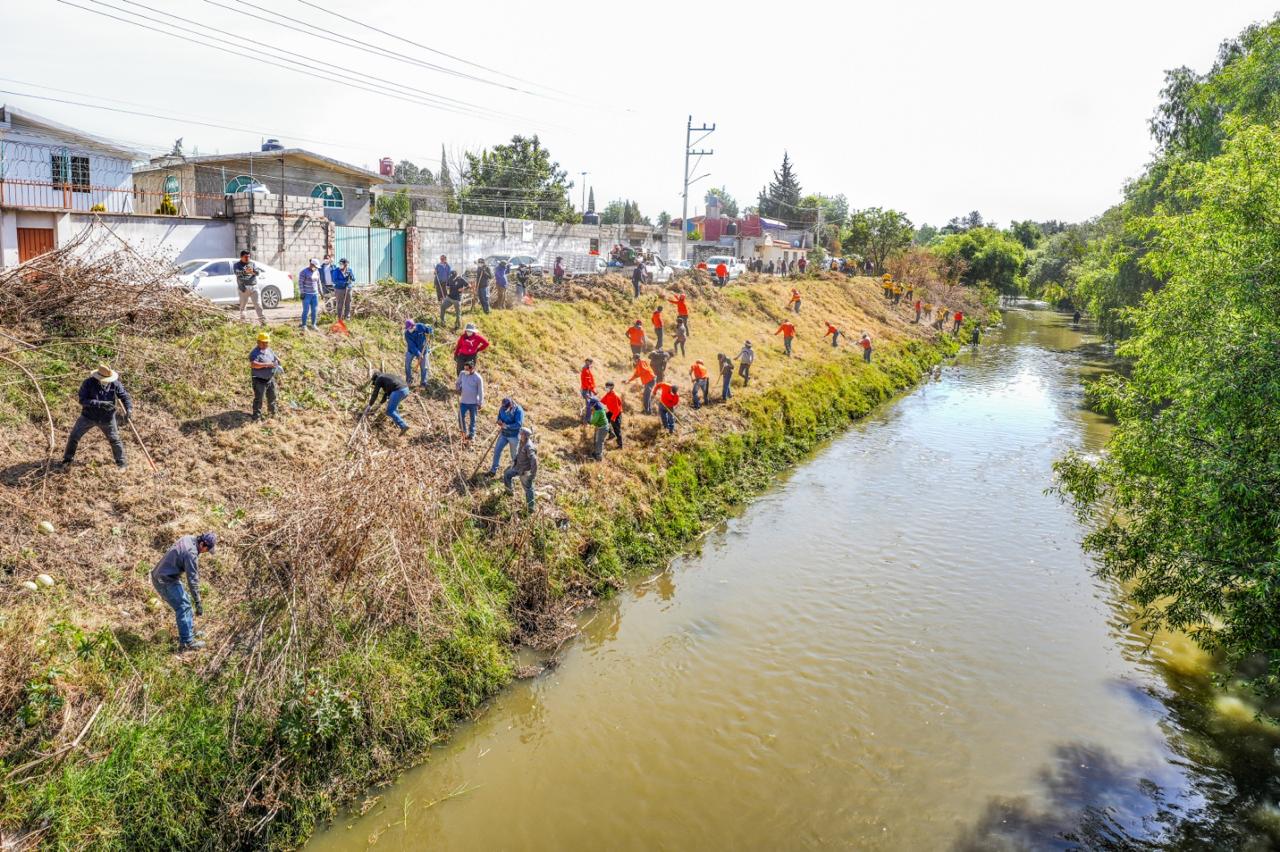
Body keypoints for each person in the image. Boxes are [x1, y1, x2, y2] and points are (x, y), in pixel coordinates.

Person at [151, 532, 216, 652]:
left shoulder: (189, 538)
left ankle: (189, 632)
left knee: (185, 601)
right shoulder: (191, 554)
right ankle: (187, 642)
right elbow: (192, 580)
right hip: (164, 580)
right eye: (207, 550)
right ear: (202, 544)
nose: (205, 552)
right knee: (183, 606)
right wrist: (198, 602)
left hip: (165, 575)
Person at [62, 363, 132, 468]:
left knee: (115, 440)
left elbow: (125, 397)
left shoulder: (115, 384)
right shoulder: (88, 383)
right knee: (74, 437)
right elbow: (82, 400)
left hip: (107, 418)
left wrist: (129, 409)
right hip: (88, 416)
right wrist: (100, 403)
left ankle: (121, 464)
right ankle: (67, 460)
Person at [503, 426, 537, 512]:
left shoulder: (529, 446)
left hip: (525, 471)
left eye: (521, 434)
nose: (519, 435)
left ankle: (531, 508)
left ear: (525, 436)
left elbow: (534, 461)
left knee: (528, 489)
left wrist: (532, 475)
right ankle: (509, 492)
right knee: (507, 474)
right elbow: (519, 453)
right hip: (518, 467)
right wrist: (515, 460)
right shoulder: (522, 442)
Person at [248, 331, 281, 421]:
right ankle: (256, 417)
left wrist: (278, 362)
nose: (266, 344)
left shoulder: (268, 350)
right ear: (258, 342)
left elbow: (275, 358)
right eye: (264, 342)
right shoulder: (254, 353)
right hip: (259, 380)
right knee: (259, 399)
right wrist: (267, 365)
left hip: (270, 378)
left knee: (272, 397)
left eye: (267, 342)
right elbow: (254, 365)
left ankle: (272, 414)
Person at [366, 370, 411, 435]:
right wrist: (380, 404)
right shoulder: (387, 377)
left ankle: (403, 425)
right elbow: (386, 394)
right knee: (394, 409)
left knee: (390, 411)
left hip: (398, 390)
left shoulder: (379, 378)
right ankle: (397, 423)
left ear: (375, 378)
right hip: (406, 390)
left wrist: (369, 405)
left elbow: (375, 393)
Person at [489, 397, 524, 475]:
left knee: (514, 455)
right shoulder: (503, 407)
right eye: (503, 407)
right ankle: (493, 470)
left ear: (510, 405)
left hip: (514, 436)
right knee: (497, 451)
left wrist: (507, 426)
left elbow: (518, 424)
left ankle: (516, 470)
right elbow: (499, 416)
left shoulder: (518, 410)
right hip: (503, 434)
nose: (504, 409)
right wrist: (499, 421)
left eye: (506, 408)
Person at [233, 250, 265, 324]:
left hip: (254, 287)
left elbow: (258, 273)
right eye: (245, 257)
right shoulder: (237, 265)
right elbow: (237, 273)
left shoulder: (252, 264)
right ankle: (243, 323)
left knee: (258, 305)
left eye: (249, 257)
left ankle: (263, 322)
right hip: (243, 288)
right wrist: (245, 272)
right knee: (243, 307)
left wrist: (252, 271)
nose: (247, 258)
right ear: (241, 257)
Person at [455, 360, 484, 439]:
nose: (466, 371)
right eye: (465, 369)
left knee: (473, 419)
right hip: (463, 401)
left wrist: (480, 402)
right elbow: (458, 382)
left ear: (472, 369)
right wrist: (458, 388)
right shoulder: (462, 373)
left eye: (467, 369)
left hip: (473, 403)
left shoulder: (478, 378)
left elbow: (480, 391)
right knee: (460, 416)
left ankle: (471, 434)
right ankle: (463, 432)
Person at [404, 319, 433, 387]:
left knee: (424, 367)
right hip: (412, 350)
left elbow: (428, 329)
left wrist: (430, 330)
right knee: (407, 364)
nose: (409, 330)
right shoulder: (407, 334)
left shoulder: (420, 326)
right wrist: (419, 354)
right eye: (408, 329)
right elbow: (412, 346)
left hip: (423, 349)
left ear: (413, 326)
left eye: (410, 328)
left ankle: (423, 382)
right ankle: (409, 380)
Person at [298, 258, 321, 330]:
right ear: (311, 264)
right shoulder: (304, 272)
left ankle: (313, 324)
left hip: (315, 295)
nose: (316, 268)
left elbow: (318, 283)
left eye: (317, 267)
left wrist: (321, 292)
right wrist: (302, 292)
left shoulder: (317, 272)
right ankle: (304, 325)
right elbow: (300, 283)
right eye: (315, 266)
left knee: (314, 310)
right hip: (307, 294)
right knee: (306, 310)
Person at [601, 381, 623, 449]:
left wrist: (613, 418)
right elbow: (602, 401)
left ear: (612, 387)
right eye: (606, 386)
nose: (606, 388)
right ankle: (611, 433)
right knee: (604, 421)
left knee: (617, 429)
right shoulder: (608, 394)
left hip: (617, 413)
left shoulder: (614, 396)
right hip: (611, 411)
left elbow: (617, 409)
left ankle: (620, 445)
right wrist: (596, 403)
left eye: (607, 387)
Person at [588, 393, 609, 460]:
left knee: (599, 441)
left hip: (602, 428)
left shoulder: (598, 411)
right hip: (603, 427)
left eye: (591, 404)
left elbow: (593, 421)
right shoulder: (599, 406)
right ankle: (596, 452)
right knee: (598, 440)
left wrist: (589, 421)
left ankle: (598, 457)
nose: (591, 405)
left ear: (594, 404)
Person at [579, 358, 597, 424]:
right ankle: (587, 419)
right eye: (589, 362)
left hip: (588, 390)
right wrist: (593, 390)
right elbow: (587, 383)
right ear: (586, 362)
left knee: (591, 404)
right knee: (589, 404)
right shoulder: (585, 370)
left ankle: (589, 417)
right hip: (586, 390)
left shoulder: (587, 369)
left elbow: (590, 381)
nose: (590, 364)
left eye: (591, 362)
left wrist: (593, 388)